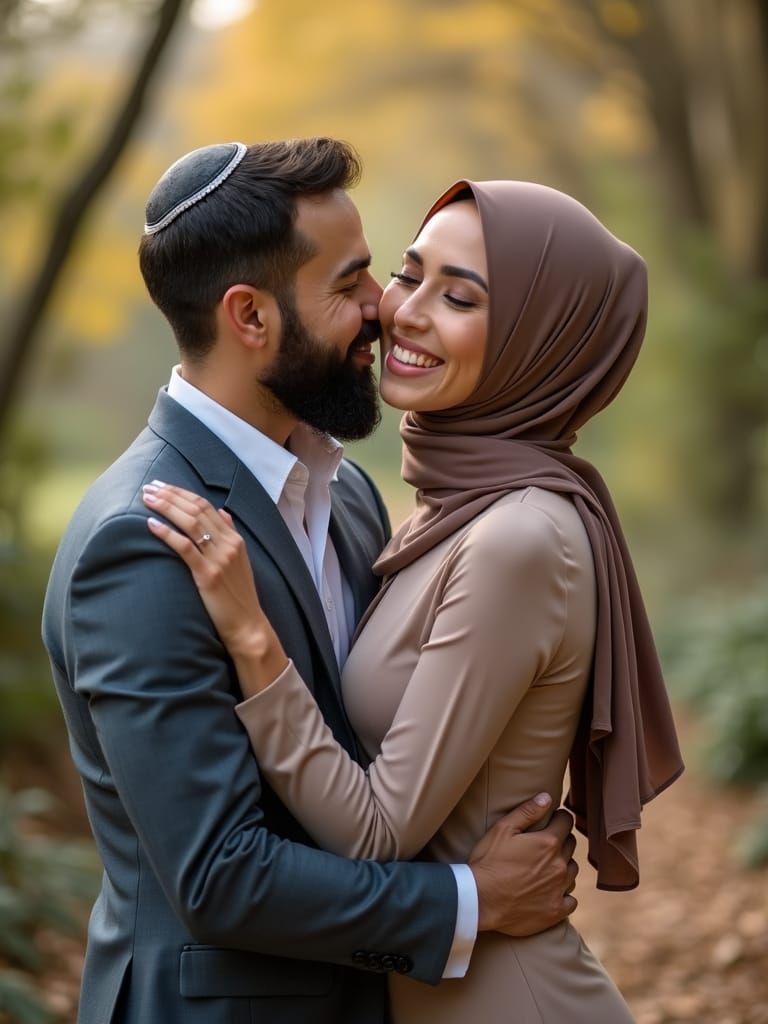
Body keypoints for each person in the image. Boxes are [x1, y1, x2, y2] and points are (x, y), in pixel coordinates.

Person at [42, 140, 580, 1024]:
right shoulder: (143, 541)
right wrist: (466, 903)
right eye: (351, 283)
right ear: (250, 316)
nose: (385, 310)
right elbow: (220, 876)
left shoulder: (353, 495)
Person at [143, 178, 686, 1022]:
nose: (403, 312)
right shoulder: (439, 509)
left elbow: (375, 831)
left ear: (540, 342)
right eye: (409, 273)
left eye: (460, 296)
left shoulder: (520, 538)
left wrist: (253, 638)